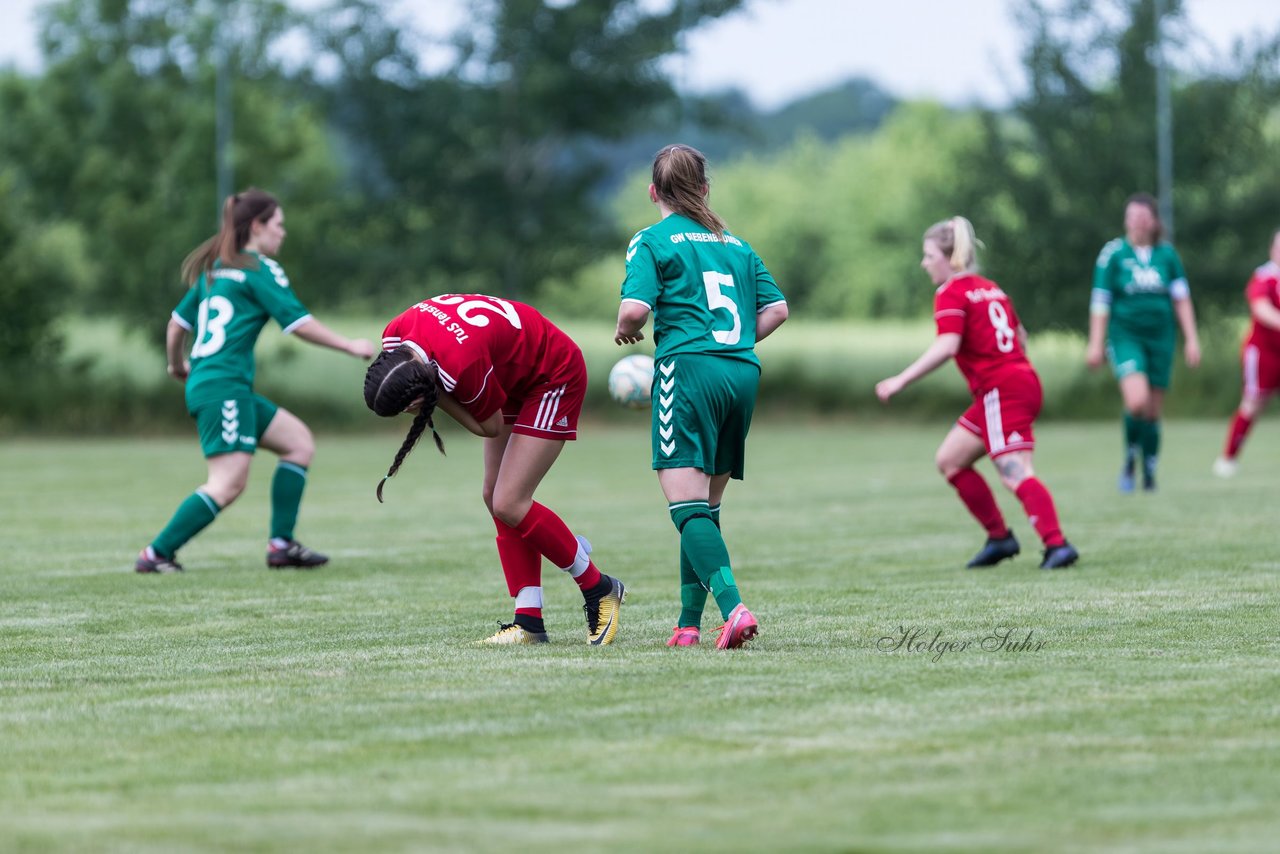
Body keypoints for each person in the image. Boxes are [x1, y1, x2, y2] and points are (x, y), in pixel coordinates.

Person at [135, 188, 376, 574]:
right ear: (258, 226)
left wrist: (176, 366)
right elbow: (297, 323)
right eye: (278, 225)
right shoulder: (258, 268)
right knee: (228, 482)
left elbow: (177, 323)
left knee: (297, 443)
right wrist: (348, 345)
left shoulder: (216, 270)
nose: (283, 233)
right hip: (224, 387)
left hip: (219, 384)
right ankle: (157, 554)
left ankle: (281, 545)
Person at [364, 295, 626, 646]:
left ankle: (600, 588)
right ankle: (529, 621)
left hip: (552, 375)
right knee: (494, 496)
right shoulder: (396, 335)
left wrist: (435, 396)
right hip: (511, 373)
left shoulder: (461, 365)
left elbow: (488, 425)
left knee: (510, 502)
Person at [615, 143, 789, 649]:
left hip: (688, 372)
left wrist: (626, 331)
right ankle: (688, 625)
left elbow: (633, 311)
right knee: (703, 508)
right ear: (705, 189)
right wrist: (730, 346)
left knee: (685, 507)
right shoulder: (737, 244)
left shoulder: (650, 240)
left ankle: (734, 609)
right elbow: (776, 309)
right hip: (740, 373)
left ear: (653, 192)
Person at [875, 216, 1078, 570]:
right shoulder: (990, 287)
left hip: (1002, 389)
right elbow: (1022, 336)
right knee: (950, 460)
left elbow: (947, 345)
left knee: (1015, 471)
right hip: (1012, 384)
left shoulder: (950, 292)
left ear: (948, 257)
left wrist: (900, 380)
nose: (925, 264)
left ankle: (1056, 545)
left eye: (928, 256)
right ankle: (1000, 538)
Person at [1086, 193, 1201, 492]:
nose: (1137, 223)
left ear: (1153, 222)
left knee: (1152, 411)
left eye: (1143, 218)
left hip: (1161, 338)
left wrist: (1191, 339)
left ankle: (1149, 470)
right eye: (1132, 217)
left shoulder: (1167, 255)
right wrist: (1096, 343)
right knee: (1136, 402)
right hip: (1126, 337)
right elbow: (1100, 302)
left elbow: (1182, 299)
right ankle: (1129, 459)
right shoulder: (1113, 254)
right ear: (1126, 220)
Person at [1215, 229, 1280, 477]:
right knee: (1253, 404)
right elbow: (1261, 310)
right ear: (1272, 250)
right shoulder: (1264, 277)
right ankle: (1228, 459)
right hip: (1264, 353)